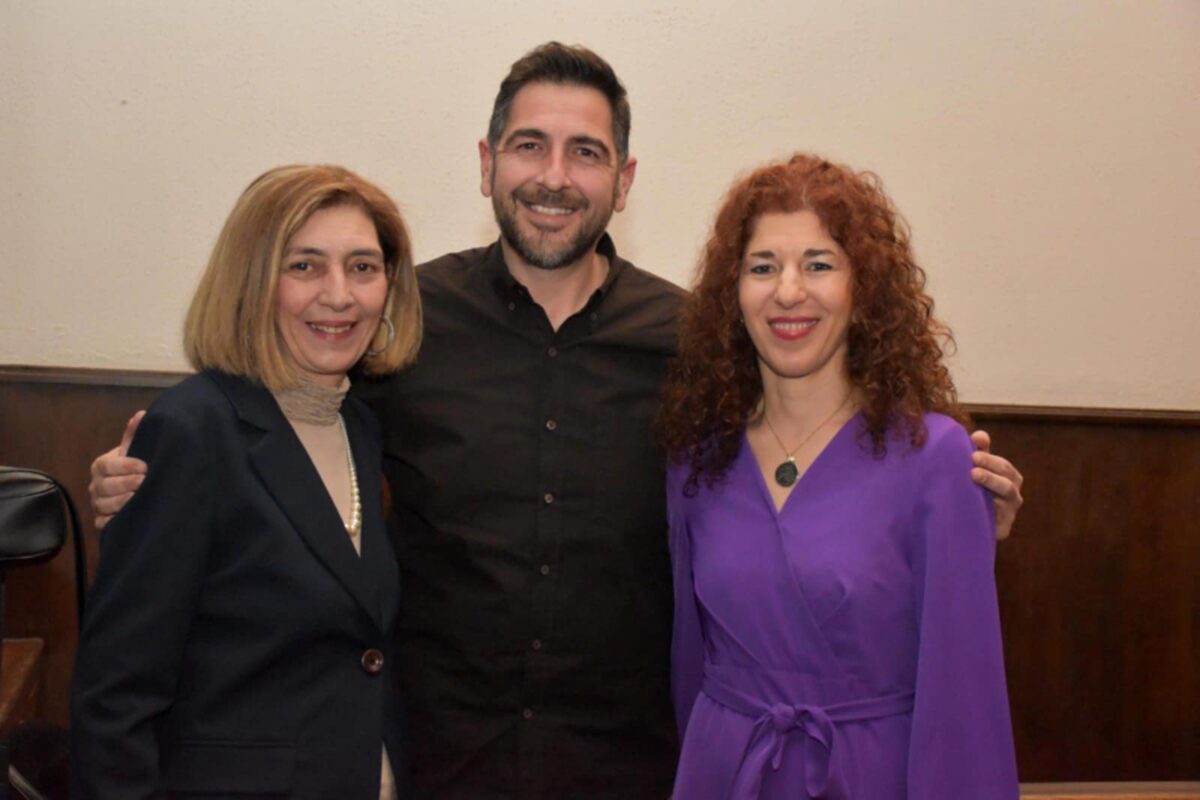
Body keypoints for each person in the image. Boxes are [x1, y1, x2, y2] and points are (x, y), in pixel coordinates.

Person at [87, 44, 1024, 799]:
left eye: (586, 152)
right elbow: (286, 428)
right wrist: (147, 477)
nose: (554, 176)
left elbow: (820, 455)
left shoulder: (695, 342)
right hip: (437, 760)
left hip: (632, 765)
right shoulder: (398, 323)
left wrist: (955, 495)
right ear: (487, 163)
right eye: (530, 146)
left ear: (624, 179)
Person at [659, 153, 1019, 798]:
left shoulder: (936, 459)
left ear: (863, 289)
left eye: (819, 265)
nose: (788, 291)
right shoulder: (698, 459)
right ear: (732, 293)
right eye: (762, 267)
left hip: (868, 776)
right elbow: (689, 663)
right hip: (722, 772)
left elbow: (964, 698)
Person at [71, 164, 422, 799]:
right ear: (252, 282)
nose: (339, 295)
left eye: (363, 267)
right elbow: (116, 695)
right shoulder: (193, 430)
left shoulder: (358, 425)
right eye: (304, 266)